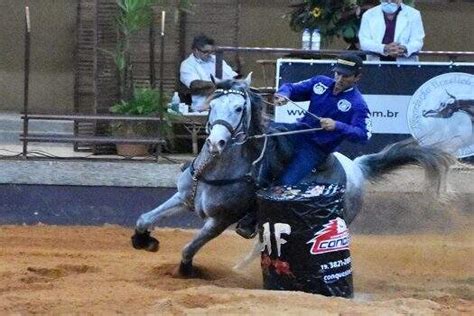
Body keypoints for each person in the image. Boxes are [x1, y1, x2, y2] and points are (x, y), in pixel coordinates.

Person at [235, 52, 372, 239]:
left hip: (317, 149)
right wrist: (283, 94)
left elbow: (363, 135)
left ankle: (253, 220)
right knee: (265, 140)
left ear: (357, 77)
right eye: (337, 74)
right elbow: (291, 88)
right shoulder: (320, 83)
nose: (339, 79)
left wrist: (337, 126)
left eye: (345, 76)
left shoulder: (357, 104)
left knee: (286, 183)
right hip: (298, 132)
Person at [180, 34, 238, 112]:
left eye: (211, 51)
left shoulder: (216, 60)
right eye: (205, 52)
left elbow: (233, 77)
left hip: (226, 104)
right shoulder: (188, 64)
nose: (209, 54)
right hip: (204, 107)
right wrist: (219, 85)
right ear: (196, 50)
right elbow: (194, 84)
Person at [358, 0, 425, 62]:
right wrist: (384, 48)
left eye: (393, 0)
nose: (389, 2)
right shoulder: (368, 14)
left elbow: (417, 41)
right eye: (385, 0)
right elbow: (364, 42)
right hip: (376, 63)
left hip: (405, 64)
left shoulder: (414, 14)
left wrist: (404, 48)